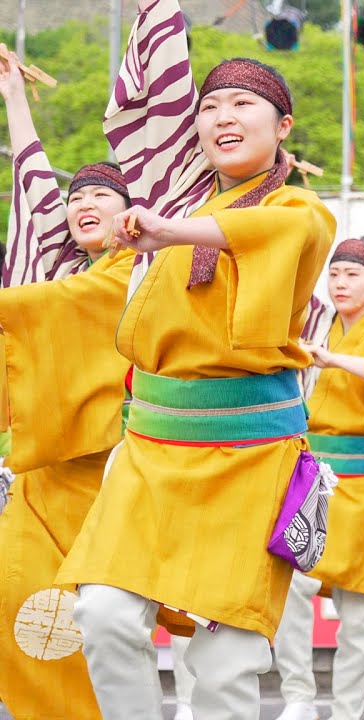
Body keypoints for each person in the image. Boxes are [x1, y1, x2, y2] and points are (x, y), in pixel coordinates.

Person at [10, 2, 336, 718]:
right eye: (210, 104)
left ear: (282, 127)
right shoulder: (171, 202)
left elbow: (250, 230)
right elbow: (151, 93)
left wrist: (166, 228)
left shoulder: (300, 213)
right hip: (152, 454)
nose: (223, 114)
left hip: (250, 459)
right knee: (100, 615)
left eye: (244, 103)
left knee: (223, 667)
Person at [0, 45, 135, 720]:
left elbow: (52, 312)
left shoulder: (135, 277)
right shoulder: (65, 280)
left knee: (98, 625)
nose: (82, 203)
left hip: (110, 480)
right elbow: (32, 186)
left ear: (132, 213)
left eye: (101, 196)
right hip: (38, 479)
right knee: (21, 608)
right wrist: (13, 97)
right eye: (75, 196)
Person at [269, 236, 364, 720]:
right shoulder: (314, 325)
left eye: (352, 274)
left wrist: (335, 360)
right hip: (313, 481)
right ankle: (298, 696)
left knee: (361, 609)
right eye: (334, 274)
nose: (340, 282)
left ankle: (348, 710)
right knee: (291, 586)